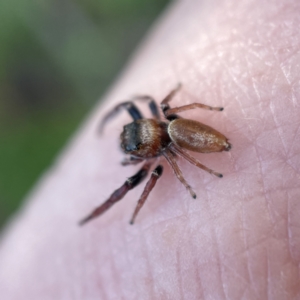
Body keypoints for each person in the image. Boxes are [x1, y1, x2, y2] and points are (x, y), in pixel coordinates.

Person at [1, 0, 299, 298]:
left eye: (135, 150)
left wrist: (177, 183)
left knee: (137, 183)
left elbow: (172, 167)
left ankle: (103, 213)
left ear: (144, 151)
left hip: (182, 138)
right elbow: (154, 105)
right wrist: (203, 110)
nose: (131, 153)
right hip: (175, 131)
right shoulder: (163, 116)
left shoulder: (166, 150)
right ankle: (99, 213)